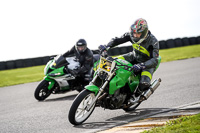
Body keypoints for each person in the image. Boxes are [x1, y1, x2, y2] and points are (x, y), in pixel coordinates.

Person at [98, 18, 159, 99]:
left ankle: (136, 96)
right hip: (133, 56)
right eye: (134, 33)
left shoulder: (153, 41)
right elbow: (117, 40)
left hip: (146, 64)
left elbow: (155, 60)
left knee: (144, 83)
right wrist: (107, 46)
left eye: (138, 33)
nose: (135, 35)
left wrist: (141, 66)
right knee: (113, 63)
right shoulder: (131, 35)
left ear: (144, 32)